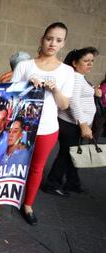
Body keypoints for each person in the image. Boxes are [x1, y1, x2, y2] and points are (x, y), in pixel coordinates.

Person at [0, 22, 74, 227]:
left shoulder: (67, 71)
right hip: (19, 126)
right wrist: (26, 83)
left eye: (58, 40)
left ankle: (28, 204)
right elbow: (10, 97)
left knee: (37, 168)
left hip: (48, 128)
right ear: (42, 38)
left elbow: (65, 104)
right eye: (49, 38)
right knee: (5, 163)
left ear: (63, 44)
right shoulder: (25, 66)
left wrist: (55, 89)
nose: (52, 43)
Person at [43, 47, 99, 196]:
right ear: (75, 63)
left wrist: (93, 91)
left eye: (92, 61)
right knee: (67, 154)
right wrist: (83, 124)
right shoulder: (75, 77)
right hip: (72, 124)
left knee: (73, 153)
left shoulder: (80, 77)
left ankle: (72, 182)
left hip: (75, 124)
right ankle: (52, 184)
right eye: (86, 61)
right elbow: (73, 102)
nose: (90, 64)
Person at [0, 117, 30, 230]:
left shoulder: (23, 154)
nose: (11, 134)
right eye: (9, 131)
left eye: (15, 131)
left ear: (21, 134)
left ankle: (28, 206)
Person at [93, 73, 106, 139]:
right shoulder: (104, 85)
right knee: (98, 126)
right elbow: (100, 94)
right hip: (103, 108)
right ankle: (93, 141)